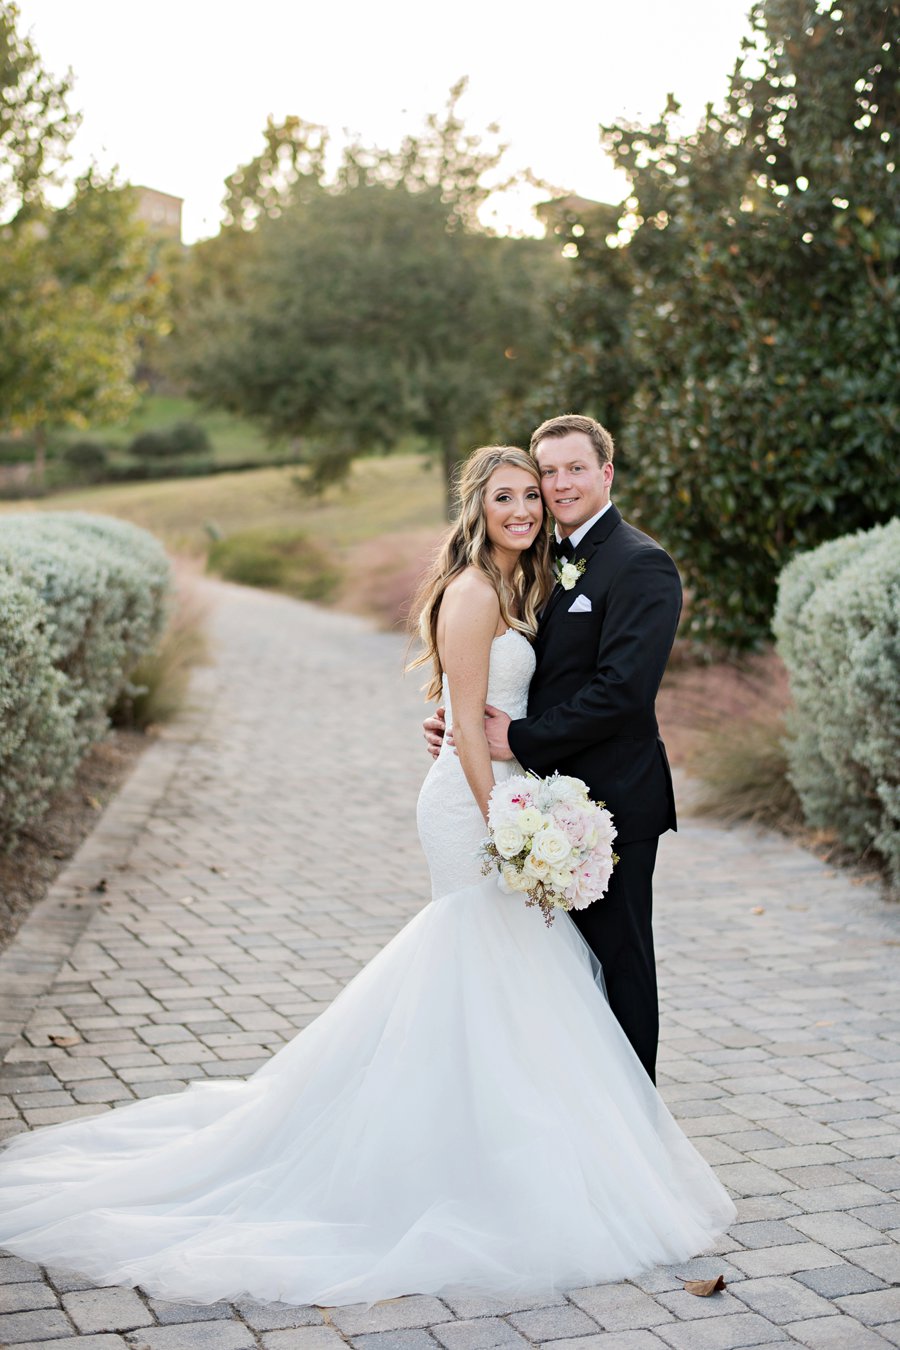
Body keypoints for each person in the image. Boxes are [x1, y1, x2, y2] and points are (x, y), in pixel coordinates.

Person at [0, 446, 733, 1310]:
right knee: (497, 969)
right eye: (517, 491)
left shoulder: (601, 568)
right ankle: (500, 1164)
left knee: (586, 975)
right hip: (491, 806)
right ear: (480, 505)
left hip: (558, 794)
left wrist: (503, 747)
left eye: (547, 486)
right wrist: (488, 777)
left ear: (604, 473)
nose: (537, 502)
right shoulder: (476, 587)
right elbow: (473, 711)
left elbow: (608, 692)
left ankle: (597, 1150)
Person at [425, 415, 681, 1084]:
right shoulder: (535, 568)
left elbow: (622, 693)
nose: (559, 485)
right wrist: (457, 720)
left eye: (575, 469)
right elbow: (499, 668)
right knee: (550, 977)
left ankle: (634, 1126)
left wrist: (517, 736)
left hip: (613, 799)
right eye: (549, 474)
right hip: (531, 802)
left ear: (606, 473)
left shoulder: (640, 564)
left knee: (617, 965)